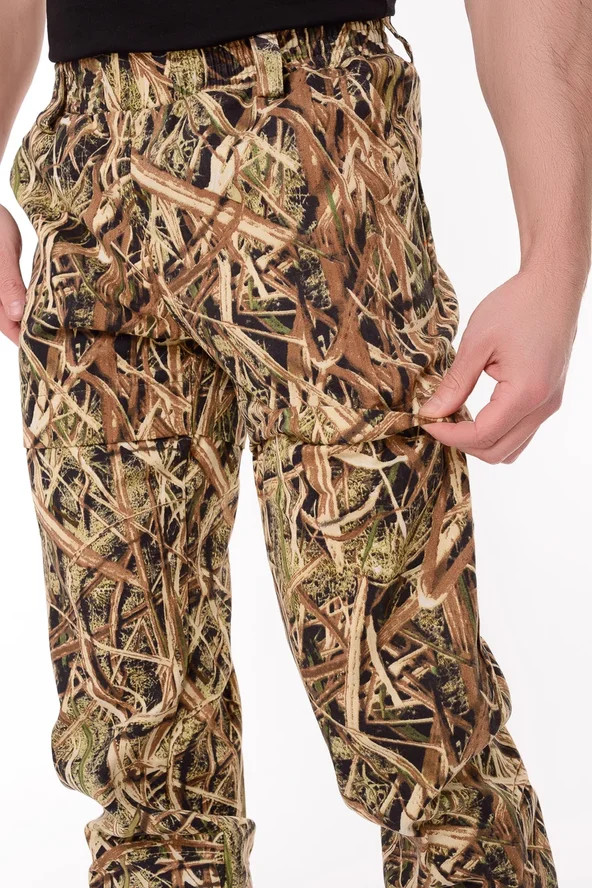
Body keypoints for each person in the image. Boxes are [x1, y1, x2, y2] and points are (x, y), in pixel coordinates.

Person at [0, 0, 589, 884]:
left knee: (417, 727)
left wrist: (555, 262)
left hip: (310, 145)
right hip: (85, 163)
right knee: (140, 767)